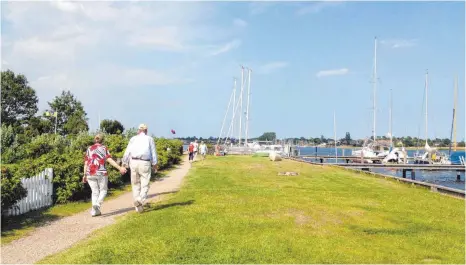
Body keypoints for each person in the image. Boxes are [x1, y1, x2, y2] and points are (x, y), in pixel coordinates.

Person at [82, 134, 127, 217]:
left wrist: (84, 175)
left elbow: (86, 163)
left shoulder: (89, 148)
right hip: (101, 172)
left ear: (94, 140)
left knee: (95, 192)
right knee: (103, 190)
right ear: (102, 140)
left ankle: (95, 211)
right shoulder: (104, 148)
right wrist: (119, 167)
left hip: (90, 172)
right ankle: (98, 204)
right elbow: (109, 160)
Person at [122, 124, 158, 213]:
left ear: (138, 131)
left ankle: (138, 208)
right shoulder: (150, 139)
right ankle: (140, 200)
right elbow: (153, 152)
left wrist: (124, 163)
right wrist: (155, 164)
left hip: (133, 162)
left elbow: (127, 152)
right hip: (144, 162)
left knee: (135, 184)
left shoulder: (133, 139)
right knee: (145, 183)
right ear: (146, 131)